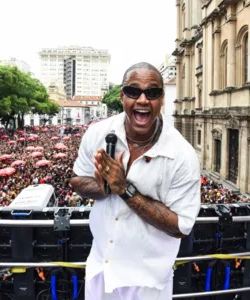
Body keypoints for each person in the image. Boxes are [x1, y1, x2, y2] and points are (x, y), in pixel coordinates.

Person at [70, 62, 201, 299]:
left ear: (162, 100)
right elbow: (77, 180)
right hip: (101, 268)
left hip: (147, 282)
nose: (142, 100)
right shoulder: (98, 133)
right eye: (133, 91)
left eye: (152, 93)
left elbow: (181, 226)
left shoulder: (182, 155)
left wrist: (125, 189)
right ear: (122, 96)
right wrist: (103, 187)